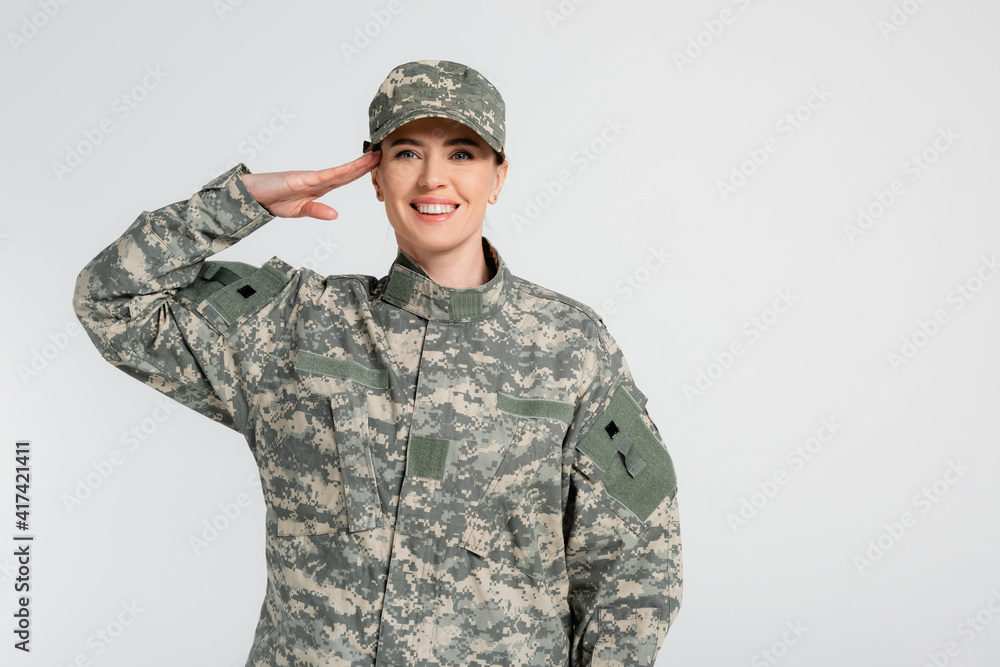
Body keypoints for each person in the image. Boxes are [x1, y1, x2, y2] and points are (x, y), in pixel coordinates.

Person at [72, 59, 682, 666]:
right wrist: (241, 202)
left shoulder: (570, 346)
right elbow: (111, 300)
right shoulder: (296, 322)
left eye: (463, 154)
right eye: (408, 153)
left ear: (499, 176)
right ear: (375, 174)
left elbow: (638, 556)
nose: (433, 179)